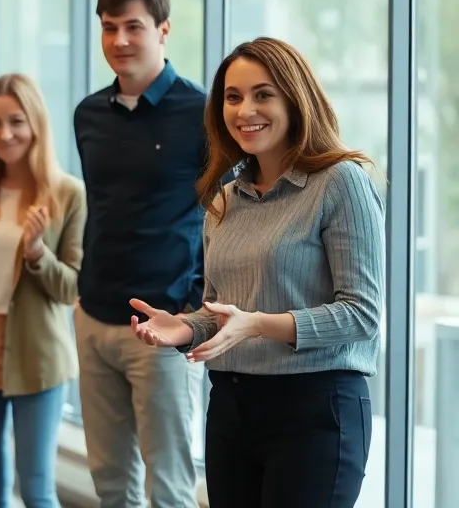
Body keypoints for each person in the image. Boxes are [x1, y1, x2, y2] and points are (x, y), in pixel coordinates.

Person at [130, 37, 383, 508]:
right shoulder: (225, 199)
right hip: (231, 407)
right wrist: (184, 326)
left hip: (316, 409)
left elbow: (361, 314)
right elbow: (226, 312)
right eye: (233, 96)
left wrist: (258, 325)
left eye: (263, 94)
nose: (245, 109)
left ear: (295, 98)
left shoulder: (341, 182)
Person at [73, 0, 205, 507]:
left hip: (165, 322)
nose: (120, 40)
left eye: (134, 27)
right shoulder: (88, 114)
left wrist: (196, 303)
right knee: (109, 483)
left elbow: (224, 214)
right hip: (94, 317)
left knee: (168, 485)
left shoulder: (201, 114)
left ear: (163, 30)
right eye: (110, 28)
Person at [0, 74, 86, 508]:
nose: (5, 134)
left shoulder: (68, 193)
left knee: (37, 487)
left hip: (37, 352)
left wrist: (36, 254)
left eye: (16, 121)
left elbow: (71, 289)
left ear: (36, 124)